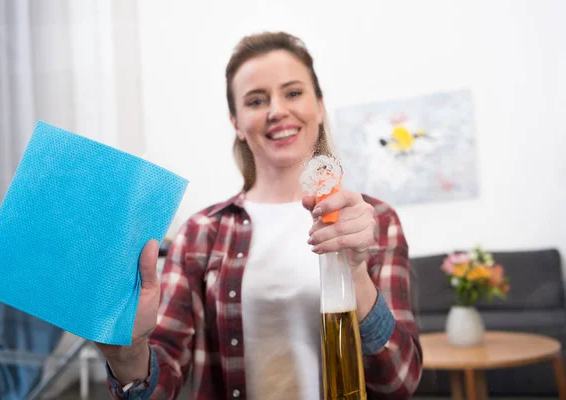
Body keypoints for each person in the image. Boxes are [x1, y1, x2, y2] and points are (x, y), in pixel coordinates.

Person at [97, 31, 423, 400]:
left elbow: (400, 382)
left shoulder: (375, 219)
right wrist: (129, 356)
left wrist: (355, 269)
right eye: (256, 100)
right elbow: (162, 384)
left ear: (319, 105)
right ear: (236, 122)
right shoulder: (200, 234)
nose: (276, 110)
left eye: (293, 93)